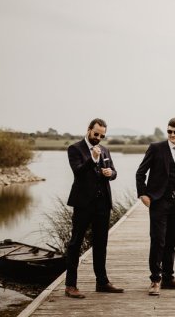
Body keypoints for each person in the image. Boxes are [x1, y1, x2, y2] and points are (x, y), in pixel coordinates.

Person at [136, 117, 175, 296]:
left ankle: (169, 278)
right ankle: (156, 279)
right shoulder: (156, 148)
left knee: (171, 241)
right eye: (169, 131)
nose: (172, 135)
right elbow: (141, 172)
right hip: (158, 201)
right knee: (158, 241)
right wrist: (143, 194)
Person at [65, 118, 123, 299]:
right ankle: (70, 285)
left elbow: (114, 172)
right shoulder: (74, 148)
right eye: (96, 134)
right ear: (89, 130)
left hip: (102, 204)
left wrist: (110, 173)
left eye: (102, 135)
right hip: (83, 204)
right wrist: (93, 159)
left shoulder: (105, 150)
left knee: (101, 244)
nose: (98, 138)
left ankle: (102, 282)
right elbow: (78, 172)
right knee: (75, 244)